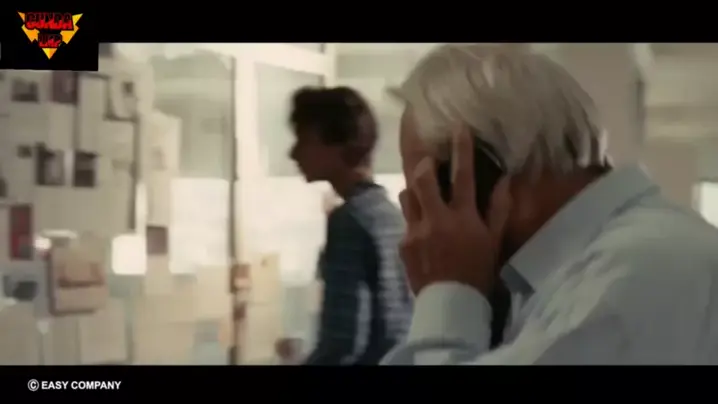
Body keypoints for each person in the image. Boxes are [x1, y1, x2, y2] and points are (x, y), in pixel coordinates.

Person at [383, 44, 718, 365]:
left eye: (424, 197)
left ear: (487, 177)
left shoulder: (630, 278)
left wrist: (447, 290)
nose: (418, 228)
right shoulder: (557, 280)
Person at [278, 86, 413, 365]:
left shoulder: (350, 221)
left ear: (340, 144)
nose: (293, 153)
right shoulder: (389, 214)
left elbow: (343, 342)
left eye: (304, 140)